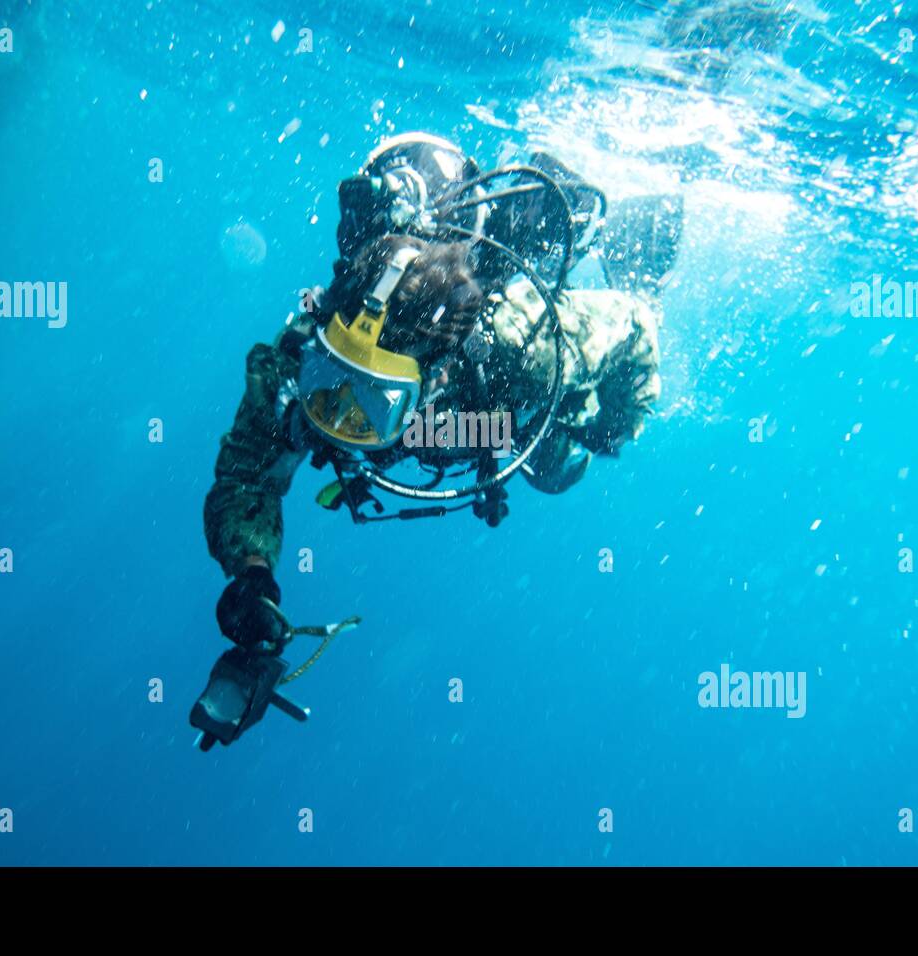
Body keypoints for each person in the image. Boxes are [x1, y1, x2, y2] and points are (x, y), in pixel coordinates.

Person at [191, 133, 681, 746]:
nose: (338, 418)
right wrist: (251, 575)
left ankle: (614, 235)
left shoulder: (522, 348)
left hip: (485, 412)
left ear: (434, 374)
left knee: (557, 464)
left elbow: (632, 324)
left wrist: (623, 415)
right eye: (330, 380)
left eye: (373, 402)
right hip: (445, 410)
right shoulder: (299, 359)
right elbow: (245, 474)